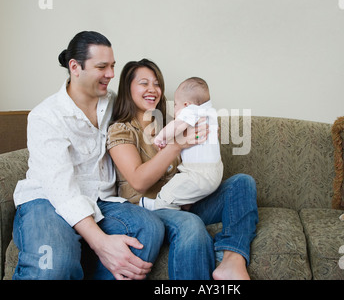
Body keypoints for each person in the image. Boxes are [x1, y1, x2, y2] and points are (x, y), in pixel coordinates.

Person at [12, 31, 164, 280]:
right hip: (47, 200)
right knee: (55, 263)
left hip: (100, 200)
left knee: (150, 227)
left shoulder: (114, 103)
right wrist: (100, 243)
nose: (112, 75)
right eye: (102, 67)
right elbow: (62, 191)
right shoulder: (46, 116)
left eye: (113, 66)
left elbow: (147, 110)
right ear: (75, 67)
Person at [107, 59, 259, 280]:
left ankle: (232, 260)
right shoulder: (121, 129)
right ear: (127, 88)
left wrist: (204, 142)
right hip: (149, 208)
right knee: (191, 225)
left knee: (243, 183)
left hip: (182, 200)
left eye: (157, 84)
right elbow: (138, 182)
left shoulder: (171, 123)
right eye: (143, 83)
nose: (153, 89)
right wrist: (177, 144)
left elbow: (193, 167)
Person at [139, 77, 223, 211]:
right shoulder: (210, 112)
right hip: (216, 172)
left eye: (176, 105)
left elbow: (177, 126)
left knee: (169, 193)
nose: (175, 110)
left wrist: (162, 137)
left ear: (186, 105)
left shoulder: (191, 110)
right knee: (183, 192)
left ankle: (158, 205)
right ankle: (183, 209)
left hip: (197, 173)